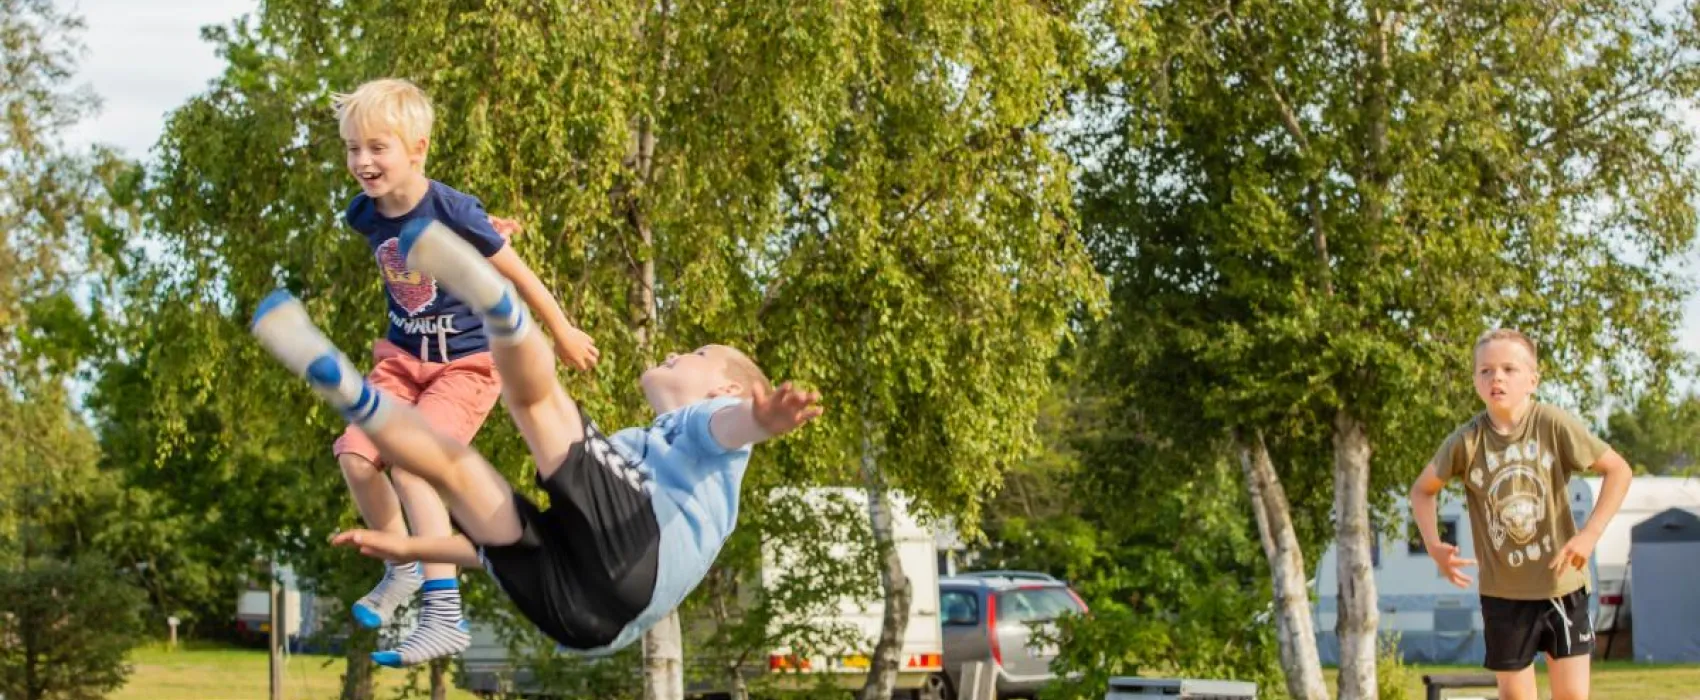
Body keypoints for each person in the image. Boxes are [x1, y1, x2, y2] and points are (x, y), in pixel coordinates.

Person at [250, 218, 823, 657]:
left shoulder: (705, 419)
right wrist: (411, 549)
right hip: (585, 624)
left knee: (536, 402)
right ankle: (358, 397)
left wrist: (763, 422)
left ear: (721, 385)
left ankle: (497, 302)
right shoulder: (633, 447)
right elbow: (489, 549)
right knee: (456, 472)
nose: (676, 353)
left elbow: (730, 427)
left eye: (695, 354)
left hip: (634, 554)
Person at [329, 77, 596, 666]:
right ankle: (402, 564)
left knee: (415, 463)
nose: (362, 162)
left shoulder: (451, 207)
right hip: (402, 360)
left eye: (378, 147)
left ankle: (444, 612)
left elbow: (519, 275)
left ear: (417, 148)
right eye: (353, 148)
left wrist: (562, 330)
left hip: (468, 366)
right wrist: (475, 233)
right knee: (353, 452)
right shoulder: (362, 214)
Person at [1409, 329, 1631, 700]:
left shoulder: (1553, 424)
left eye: (1509, 369)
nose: (1496, 377)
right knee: (1516, 697)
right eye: (1485, 370)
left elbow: (1619, 470)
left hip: (1562, 585)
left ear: (1532, 380)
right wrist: (1434, 546)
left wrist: (1589, 534)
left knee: (1573, 696)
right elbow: (1422, 490)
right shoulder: (1466, 441)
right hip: (1503, 594)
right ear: (1476, 381)